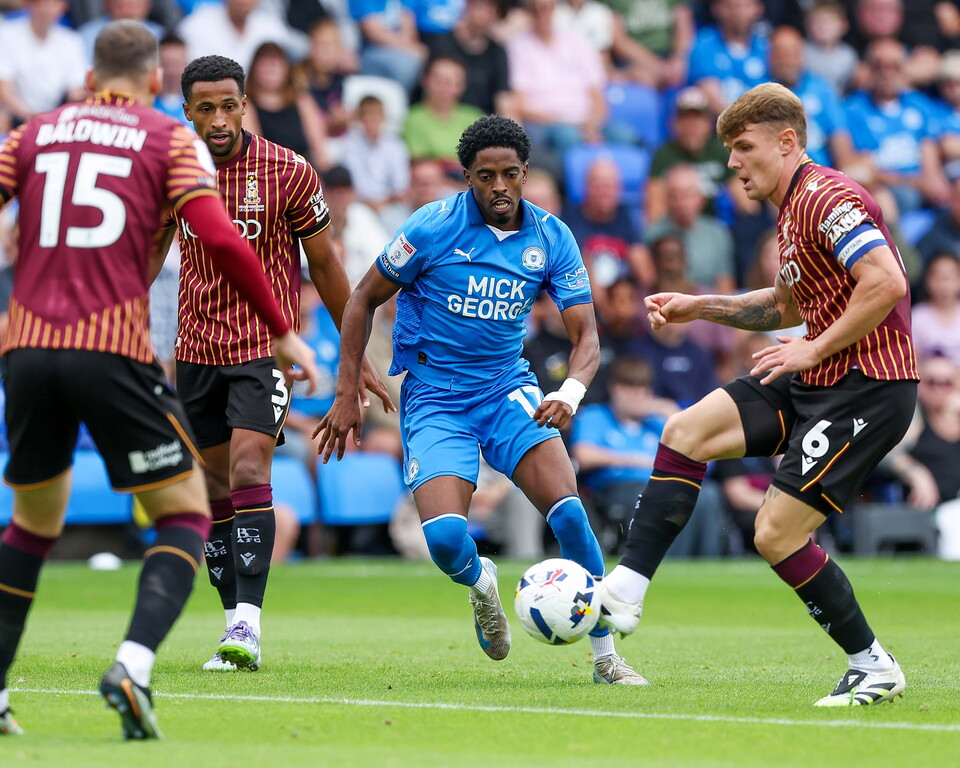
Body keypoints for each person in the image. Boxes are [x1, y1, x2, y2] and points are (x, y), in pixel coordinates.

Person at [0, 20, 320, 739]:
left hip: (24, 348)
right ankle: (134, 665)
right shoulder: (166, 141)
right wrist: (283, 326)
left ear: (88, 80)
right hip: (111, 347)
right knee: (184, 510)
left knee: (30, 523)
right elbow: (218, 236)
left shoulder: (33, 134)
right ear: (155, 85)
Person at [597, 82, 919, 707]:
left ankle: (872, 664)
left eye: (743, 148)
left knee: (775, 534)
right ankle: (627, 590)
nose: (732, 163)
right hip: (818, 373)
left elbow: (886, 281)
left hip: (868, 386)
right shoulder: (792, 206)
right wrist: (700, 307)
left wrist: (813, 347)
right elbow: (783, 304)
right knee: (684, 432)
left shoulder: (829, 196)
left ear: (787, 141)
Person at [315, 115, 647, 685]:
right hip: (435, 398)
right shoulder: (432, 227)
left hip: (506, 389)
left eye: (510, 174)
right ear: (467, 176)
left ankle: (606, 658)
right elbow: (361, 299)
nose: (499, 187)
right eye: (485, 175)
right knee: (445, 540)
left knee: (570, 514)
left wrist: (569, 391)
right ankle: (481, 582)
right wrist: (348, 387)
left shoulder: (551, 237)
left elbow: (586, 338)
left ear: (525, 174)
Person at [174, 55, 392, 673]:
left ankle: (249, 624)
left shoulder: (287, 169)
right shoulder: (173, 171)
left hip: (262, 349)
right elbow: (147, 257)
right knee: (215, 487)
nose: (218, 119)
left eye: (228, 104)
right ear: (187, 110)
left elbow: (322, 265)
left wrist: (354, 355)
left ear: (246, 103)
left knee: (248, 467)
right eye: (204, 107)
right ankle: (230, 624)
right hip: (193, 351)